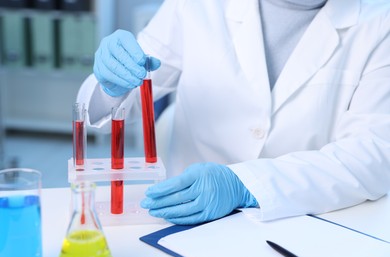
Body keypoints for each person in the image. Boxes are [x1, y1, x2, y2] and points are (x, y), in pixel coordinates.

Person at [77, 0, 390, 225]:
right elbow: (118, 103)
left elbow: (373, 155)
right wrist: (111, 86)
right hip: (183, 218)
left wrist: (244, 184)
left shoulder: (380, 20)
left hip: (305, 221)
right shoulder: (198, 6)